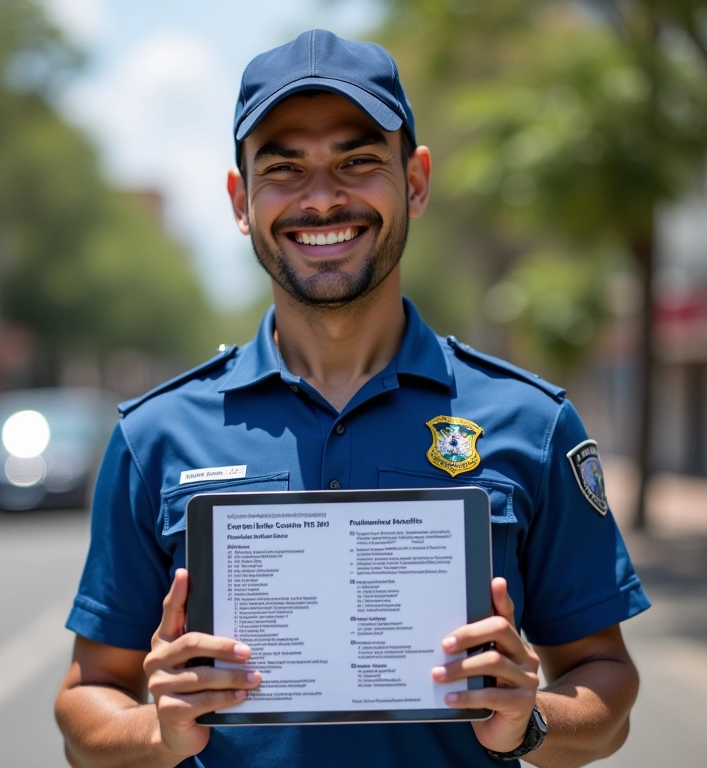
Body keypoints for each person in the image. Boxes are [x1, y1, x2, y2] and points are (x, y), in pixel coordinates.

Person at [55, 29, 650, 768]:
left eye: (358, 161)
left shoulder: (532, 423)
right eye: (284, 168)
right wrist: (158, 729)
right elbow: (86, 700)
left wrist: (531, 720)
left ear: (417, 182)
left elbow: (608, 685)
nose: (323, 197)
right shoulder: (155, 437)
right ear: (241, 200)